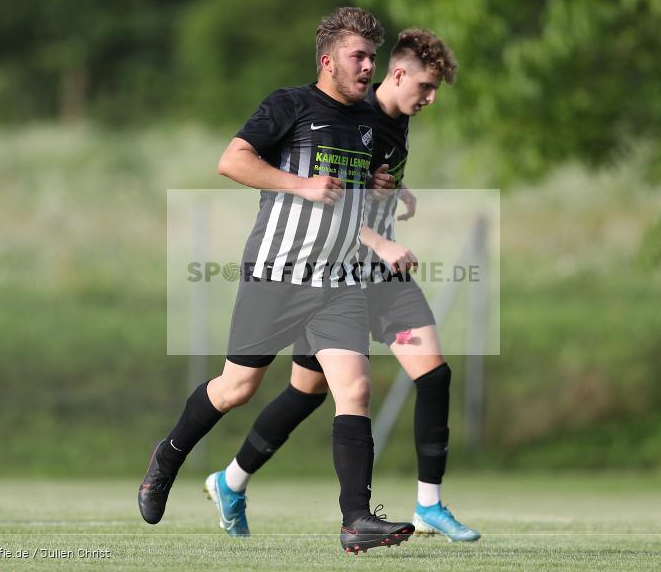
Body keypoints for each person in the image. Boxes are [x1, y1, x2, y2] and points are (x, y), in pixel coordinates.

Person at [138, 7, 415, 554]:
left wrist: (379, 189)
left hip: (338, 279)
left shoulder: (377, 122)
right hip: (276, 272)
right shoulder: (289, 105)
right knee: (237, 388)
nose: (368, 67)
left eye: (372, 58)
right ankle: (167, 456)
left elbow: (363, 200)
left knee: (353, 388)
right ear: (327, 60)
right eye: (358, 57)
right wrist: (299, 184)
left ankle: (355, 520)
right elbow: (232, 161)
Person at [203, 28, 480, 543]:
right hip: (340, 275)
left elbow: (366, 188)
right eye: (426, 87)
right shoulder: (355, 114)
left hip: (381, 280)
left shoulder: (397, 123)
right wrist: (379, 242)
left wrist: (401, 190)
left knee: (431, 376)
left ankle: (429, 505)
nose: (432, 98)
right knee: (306, 391)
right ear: (398, 75)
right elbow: (331, 206)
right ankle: (232, 480)